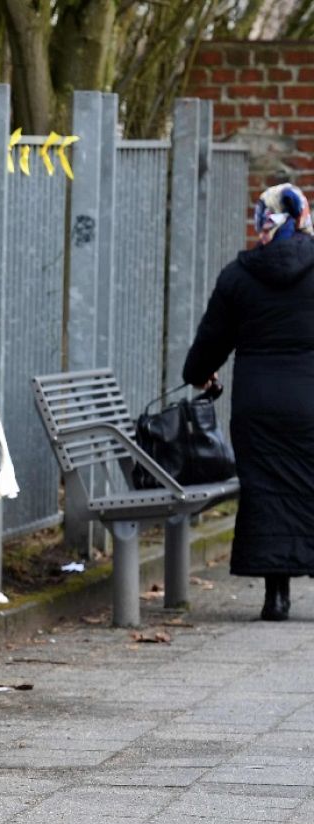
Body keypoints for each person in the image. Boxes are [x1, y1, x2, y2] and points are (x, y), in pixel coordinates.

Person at [184, 183, 314, 622]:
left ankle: (275, 597)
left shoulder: (238, 276)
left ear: (262, 222)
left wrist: (198, 374)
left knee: (266, 493)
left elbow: (211, 341)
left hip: (257, 404)